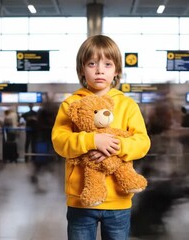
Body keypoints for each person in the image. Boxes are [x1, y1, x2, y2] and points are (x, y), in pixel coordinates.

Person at [51, 35, 151, 240]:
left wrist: (116, 145)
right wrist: (91, 141)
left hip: (119, 200)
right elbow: (59, 142)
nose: (99, 70)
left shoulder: (128, 105)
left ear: (116, 71)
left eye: (107, 64)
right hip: (81, 199)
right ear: (81, 69)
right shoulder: (71, 105)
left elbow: (142, 142)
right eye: (91, 63)